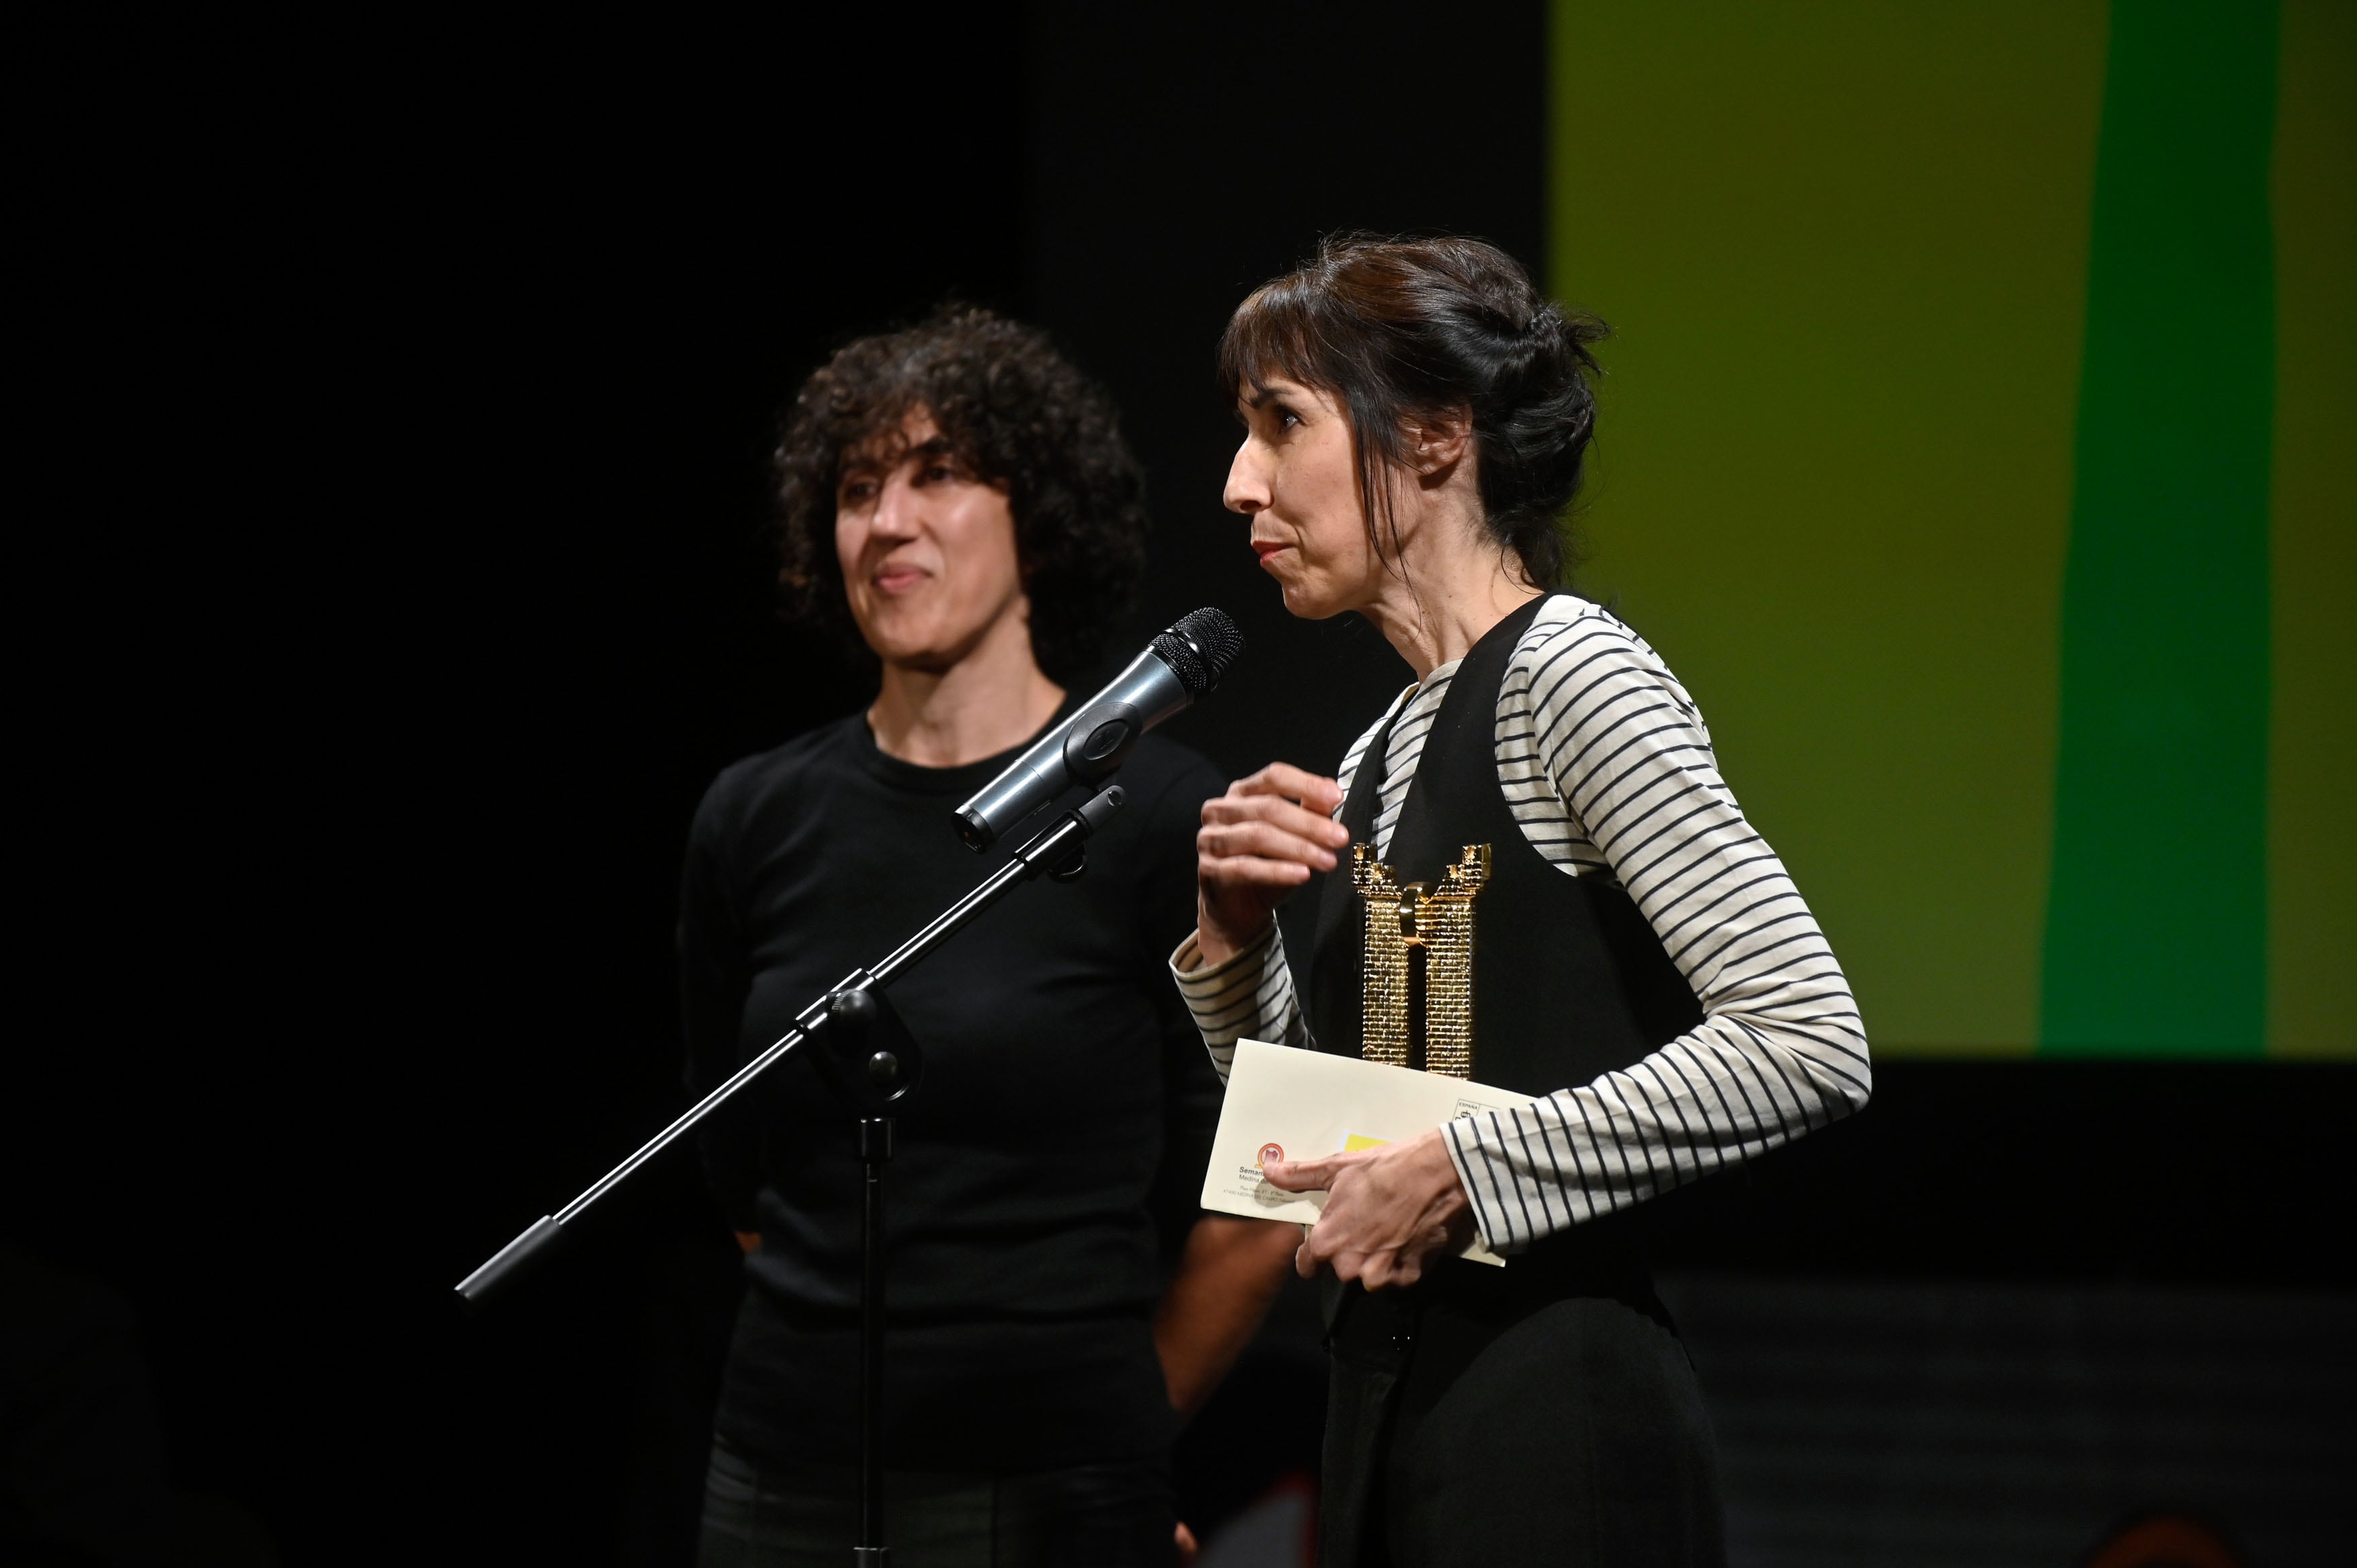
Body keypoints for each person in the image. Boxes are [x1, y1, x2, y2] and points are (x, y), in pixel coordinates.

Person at [1172, 236, 1873, 1567]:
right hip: (1388, 1416)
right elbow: (1316, 1147)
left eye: (1283, 425)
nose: (1238, 483)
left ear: (1435, 439)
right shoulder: (1377, 746)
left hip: (1557, 1421)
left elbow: (1806, 1038)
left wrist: (1467, 1171)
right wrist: (1230, 944)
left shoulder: (1572, 674)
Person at [681, 308, 1296, 1567]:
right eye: (857, 488)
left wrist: (1120, 1439)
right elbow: (734, 1172)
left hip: (1053, 1488)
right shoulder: (754, 815)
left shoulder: (1163, 814)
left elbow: (1257, 1198)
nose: (888, 520)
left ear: (1039, 512)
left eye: (938, 473)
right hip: (777, 1480)